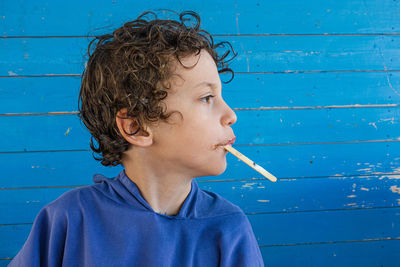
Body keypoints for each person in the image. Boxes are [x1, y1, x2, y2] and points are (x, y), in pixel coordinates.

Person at [9, 10, 265, 267]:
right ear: (136, 128)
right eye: (207, 98)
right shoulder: (68, 219)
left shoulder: (229, 228)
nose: (231, 114)